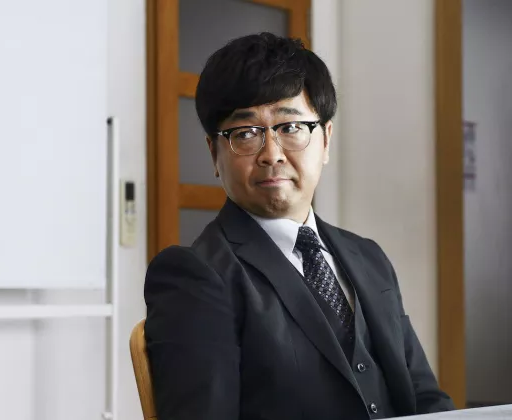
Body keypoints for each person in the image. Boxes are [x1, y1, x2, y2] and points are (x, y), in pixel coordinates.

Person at [144, 32, 454, 420]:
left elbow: (425, 397)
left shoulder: (368, 256)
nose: (271, 155)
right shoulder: (195, 275)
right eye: (245, 134)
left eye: (290, 128)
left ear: (325, 140)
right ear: (214, 154)